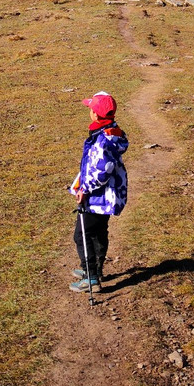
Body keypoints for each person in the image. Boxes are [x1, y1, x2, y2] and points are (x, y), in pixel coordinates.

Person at [69, 91, 128, 294]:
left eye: (90, 109)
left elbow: (101, 170)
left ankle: (91, 276)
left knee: (82, 235)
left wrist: (84, 189)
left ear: (95, 114)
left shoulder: (102, 140)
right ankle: (96, 269)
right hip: (108, 197)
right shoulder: (113, 132)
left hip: (98, 197)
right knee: (99, 232)